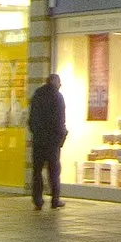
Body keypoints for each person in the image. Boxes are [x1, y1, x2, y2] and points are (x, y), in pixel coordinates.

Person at [27, 72, 68, 211]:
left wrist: (36, 133)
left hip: (39, 140)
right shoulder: (57, 97)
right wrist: (60, 137)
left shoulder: (37, 95)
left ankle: (37, 200)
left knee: (37, 171)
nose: (60, 85)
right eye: (59, 82)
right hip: (52, 142)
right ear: (55, 82)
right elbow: (60, 120)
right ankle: (55, 199)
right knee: (54, 171)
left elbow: (31, 119)